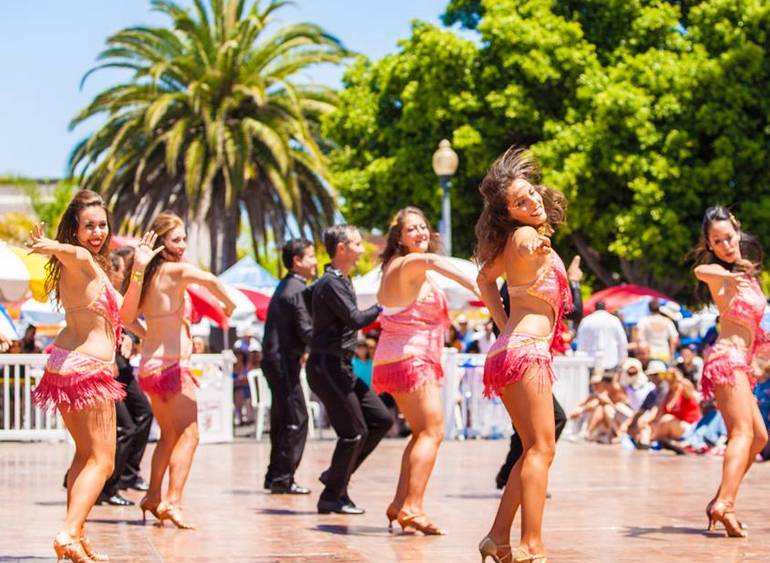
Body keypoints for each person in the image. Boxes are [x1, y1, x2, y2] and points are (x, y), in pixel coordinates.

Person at [26, 190, 154, 562]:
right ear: (76, 229)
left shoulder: (96, 268)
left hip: (65, 363)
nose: (97, 232)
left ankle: (76, 537)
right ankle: (68, 532)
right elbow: (72, 252)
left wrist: (141, 266)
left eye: (102, 225)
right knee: (104, 461)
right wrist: (49, 245)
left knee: (85, 456)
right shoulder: (79, 258)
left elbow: (127, 316)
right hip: (87, 367)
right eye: (89, 226)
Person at [475, 148, 572, 563]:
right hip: (525, 353)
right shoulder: (523, 237)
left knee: (532, 448)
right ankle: (531, 544)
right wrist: (535, 248)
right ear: (509, 213)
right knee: (541, 450)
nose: (530, 201)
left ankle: (498, 538)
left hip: (513, 350)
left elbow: (483, 278)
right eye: (519, 202)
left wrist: (503, 325)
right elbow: (524, 248)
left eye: (530, 193)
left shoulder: (514, 241)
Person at [121, 211, 236, 530]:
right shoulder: (176, 271)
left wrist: (147, 338)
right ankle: (173, 500)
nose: (183, 244)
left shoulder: (146, 277)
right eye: (177, 239)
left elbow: (127, 317)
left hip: (150, 366)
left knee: (170, 435)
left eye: (184, 238)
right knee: (191, 434)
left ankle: (153, 497)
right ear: (162, 243)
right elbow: (211, 280)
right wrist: (229, 305)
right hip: (172, 367)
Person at [373, 206, 479, 535]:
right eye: (412, 230)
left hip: (396, 358)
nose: (420, 233)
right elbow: (433, 261)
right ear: (400, 238)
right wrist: (480, 285)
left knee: (422, 432)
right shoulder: (411, 263)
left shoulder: (395, 267)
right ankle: (412, 507)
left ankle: (400, 503)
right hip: (411, 359)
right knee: (433, 431)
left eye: (423, 228)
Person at [306, 225, 393, 515]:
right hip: (327, 365)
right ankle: (332, 495)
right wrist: (384, 307)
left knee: (380, 419)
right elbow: (355, 318)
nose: (361, 249)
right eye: (356, 244)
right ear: (341, 248)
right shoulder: (330, 283)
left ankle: (336, 476)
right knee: (353, 432)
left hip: (340, 366)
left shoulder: (342, 279)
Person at [693, 206, 769, 537]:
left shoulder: (749, 274)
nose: (725, 244)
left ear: (737, 230)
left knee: (760, 437)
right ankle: (726, 505)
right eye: (716, 241)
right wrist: (725, 275)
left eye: (728, 237)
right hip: (726, 360)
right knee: (743, 433)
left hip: (742, 363)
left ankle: (719, 500)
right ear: (709, 245)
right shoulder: (720, 276)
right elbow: (702, 272)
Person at [494, 255, 583, 490]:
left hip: (520, 356)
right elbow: (575, 311)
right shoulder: (519, 274)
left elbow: (572, 312)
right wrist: (573, 281)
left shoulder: (525, 276)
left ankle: (514, 480)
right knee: (538, 433)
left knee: (530, 433)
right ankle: (520, 478)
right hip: (521, 358)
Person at [261, 238, 317, 495]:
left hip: (277, 360)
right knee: (296, 419)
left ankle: (275, 475)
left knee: (283, 418)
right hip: (283, 362)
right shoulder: (296, 289)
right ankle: (284, 478)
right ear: (297, 261)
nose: (316, 262)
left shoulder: (286, 286)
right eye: (311, 256)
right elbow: (305, 329)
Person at [576, 301, 628, 374]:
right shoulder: (614, 320)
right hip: (611, 361)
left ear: (595, 308)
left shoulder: (586, 321)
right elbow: (622, 342)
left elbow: (581, 344)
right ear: (605, 308)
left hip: (591, 362)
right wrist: (622, 361)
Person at [635, 299, 679, 364]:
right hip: (664, 353)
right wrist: (672, 354)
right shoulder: (667, 321)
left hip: (649, 354)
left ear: (649, 309)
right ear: (659, 308)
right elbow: (674, 339)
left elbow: (639, 338)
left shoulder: (643, 321)